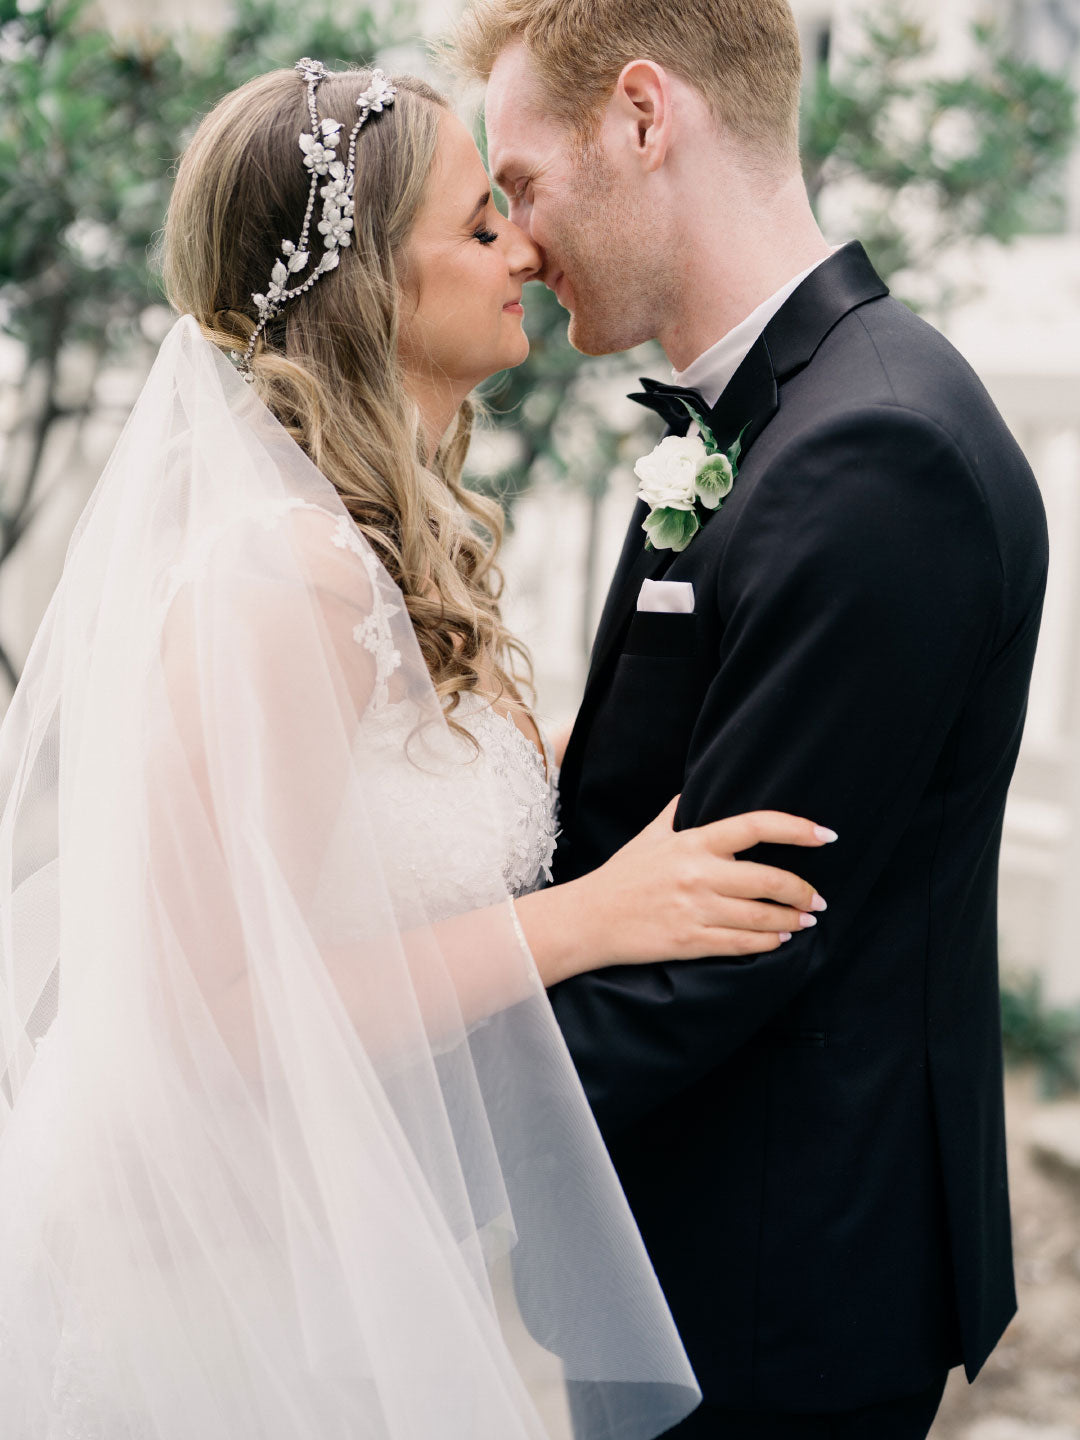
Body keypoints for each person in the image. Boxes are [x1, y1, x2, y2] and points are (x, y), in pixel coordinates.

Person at [0, 59, 835, 1440]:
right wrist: (585, 921)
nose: (527, 248)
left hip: (343, 1233)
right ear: (371, 288)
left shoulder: (372, 545)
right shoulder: (287, 580)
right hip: (209, 1285)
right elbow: (222, 1018)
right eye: (479, 224)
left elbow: (399, 799)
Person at [452, 0, 1051, 1435]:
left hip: (778, 1281)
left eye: (522, 183)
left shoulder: (872, 452)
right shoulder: (774, 422)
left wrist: (409, 1130)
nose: (518, 245)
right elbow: (652, 798)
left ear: (645, 118)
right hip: (695, 1245)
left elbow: (733, 936)